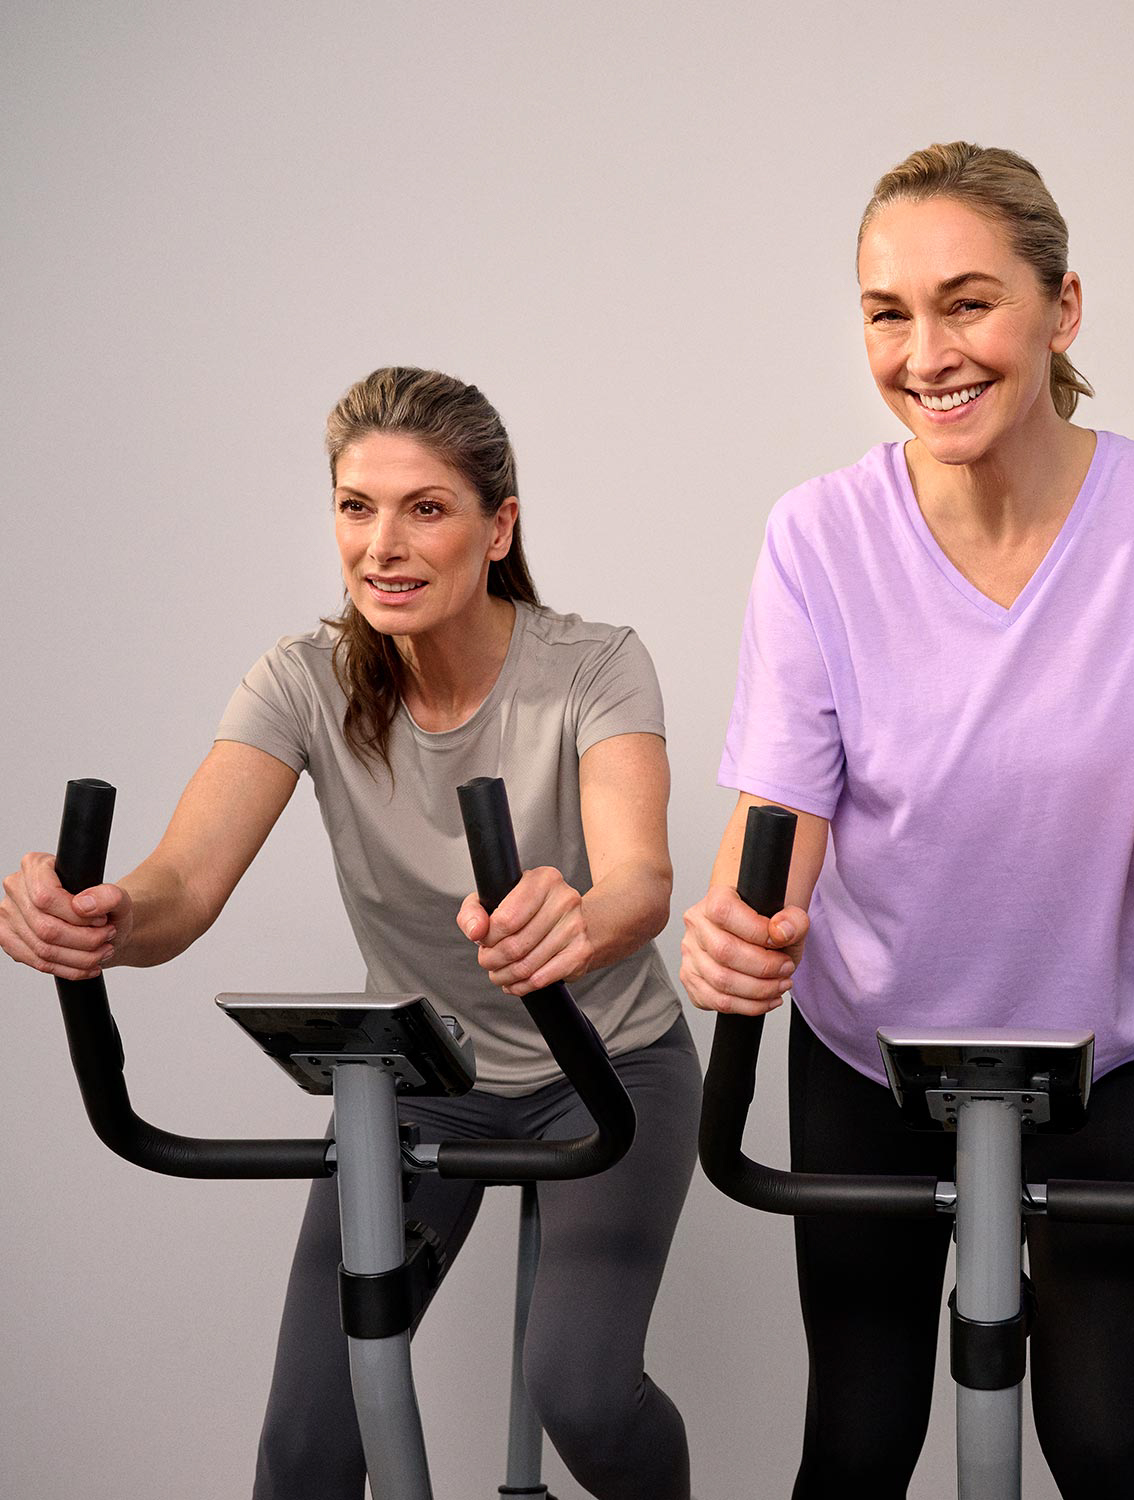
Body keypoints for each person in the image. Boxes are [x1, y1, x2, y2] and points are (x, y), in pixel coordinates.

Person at [678, 141, 1134, 1499]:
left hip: (1106, 1041)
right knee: (859, 1437)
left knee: (1109, 1433)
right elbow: (780, 811)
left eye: (967, 303)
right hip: (870, 1042)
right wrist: (733, 928)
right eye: (888, 313)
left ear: (1061, 311)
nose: (925, 351)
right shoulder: (817, 533)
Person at [0, 368, 700, 1500]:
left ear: (496, 526)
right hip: (425, 1079)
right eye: (354, 506)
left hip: (603, 1062)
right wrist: (105, 917)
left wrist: (572, 918)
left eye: (424, 508)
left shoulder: (593, 664)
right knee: (308, 1449)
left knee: (578, 1390)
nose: (383, 543)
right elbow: (181, 886)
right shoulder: (301, 682)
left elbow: (640, 881)